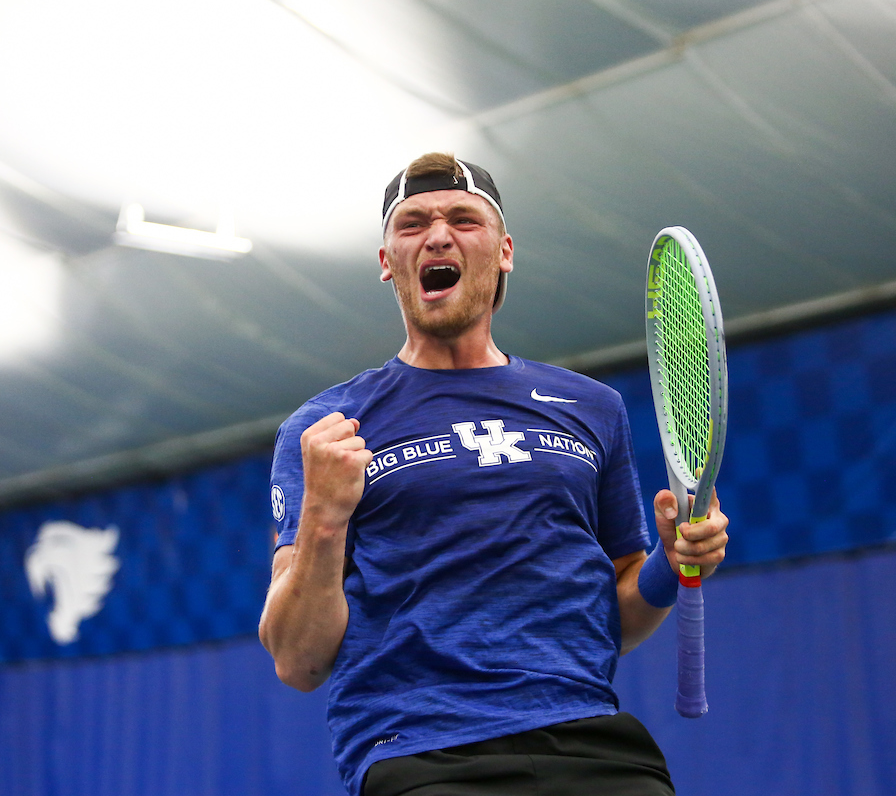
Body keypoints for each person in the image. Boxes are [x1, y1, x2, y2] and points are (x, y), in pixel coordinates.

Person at [258, 153, 729, 796]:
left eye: (463, 219)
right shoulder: (324, 429)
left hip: (593, 739)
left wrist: (671, 565)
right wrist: (322, 517)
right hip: (423, 754)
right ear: (386, 260)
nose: (438, 235)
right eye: (413, 223)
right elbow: (297, 661)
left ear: (504, 251)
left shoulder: (594, 408)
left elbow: (612, 620)